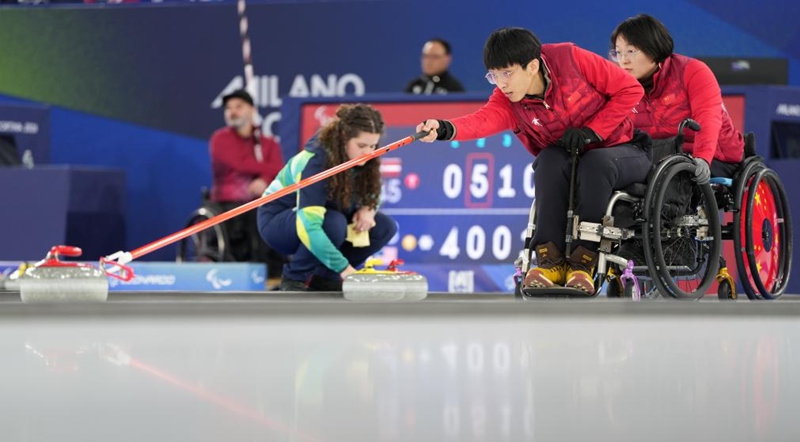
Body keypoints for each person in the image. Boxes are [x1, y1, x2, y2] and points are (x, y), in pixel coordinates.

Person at [416, 27, 652, 295]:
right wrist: (444, 128)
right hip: (571, 159)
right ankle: (548, 260)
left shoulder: (572, 59)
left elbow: (630, 90)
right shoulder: (508, 100)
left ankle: (584, 261)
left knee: (595, 162)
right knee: (549, 160)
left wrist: (593, 130)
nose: (501, 83)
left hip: (623, 149)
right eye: (494, 75)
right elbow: (482, 121)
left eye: (507, 73)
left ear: (532, 66)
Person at [256, 104, 397, 292]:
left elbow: (372, 190)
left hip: (326, 215)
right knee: (333, 223)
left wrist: (368, 209)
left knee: (384, 227)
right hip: (277, 222)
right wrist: (345, 269)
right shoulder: (315, 162)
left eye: (373, 146)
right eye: (362, 146)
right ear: (343, 139)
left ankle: (325, 278)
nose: (369, 153)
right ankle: (294, 278)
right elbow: (309, 226)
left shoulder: (364, 158)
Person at [609, 14, 745, 181]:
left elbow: (707, 118)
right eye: (618, 52)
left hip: (715, 157)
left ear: (653, 48)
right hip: (661, 157)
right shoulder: (621, 85)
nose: (623, 60)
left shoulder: (693, 71)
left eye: (630, 51)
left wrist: (702, 157)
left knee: (670, 175)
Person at [209, 89, 284, 278]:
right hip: (228, 207)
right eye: (228, 108)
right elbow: (238, 164)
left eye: (238, 107)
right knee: (253, 215)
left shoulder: (268, 143)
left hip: (261, 204)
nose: (232, 111)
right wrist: (267, 169)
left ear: (252, 110)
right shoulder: (220, 139)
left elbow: (280, 169)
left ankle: (276, 272)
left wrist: (264, 180)